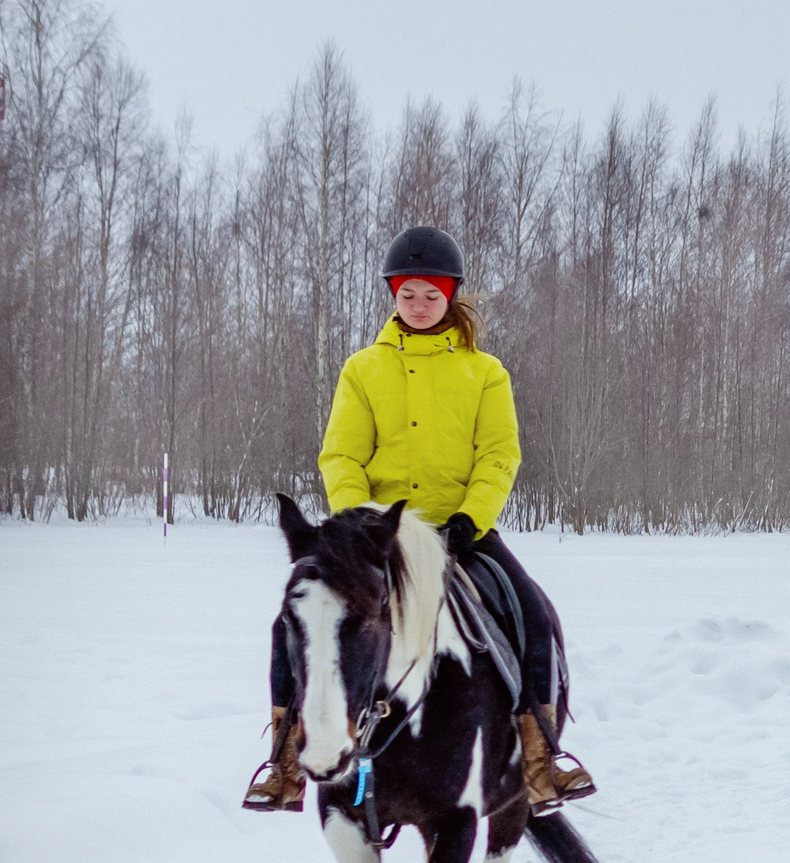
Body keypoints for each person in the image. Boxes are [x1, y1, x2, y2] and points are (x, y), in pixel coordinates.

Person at [242, 225, 598, 812]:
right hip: (376, 538)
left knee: (532, 613)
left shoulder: (486, 374)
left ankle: (541, 761)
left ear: (451, 296)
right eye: (408, 293)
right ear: (393, 295)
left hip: (461, 532)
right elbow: (342, 455)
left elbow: (499, 455)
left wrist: (469, 518)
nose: (420, 304)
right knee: (293, 622)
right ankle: (284, 763)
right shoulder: (363, 370)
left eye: (431, 294)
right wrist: (365, 525)